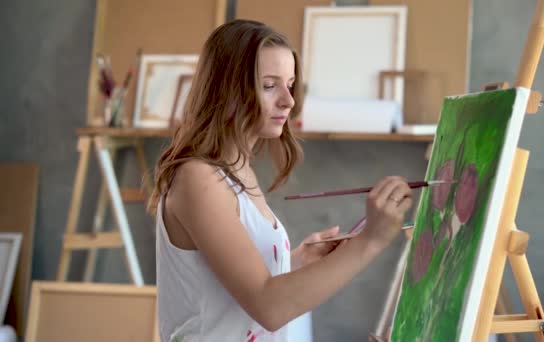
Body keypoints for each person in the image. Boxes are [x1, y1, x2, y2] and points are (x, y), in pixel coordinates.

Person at [149, 19, 413, 342]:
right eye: (270, 85)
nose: (288, 101)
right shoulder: (198, 178)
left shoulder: (237, 170)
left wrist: (295, 262)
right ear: (227, 89)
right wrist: (369, 241)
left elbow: (233, 283)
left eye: (289, 84)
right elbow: (267, 304)